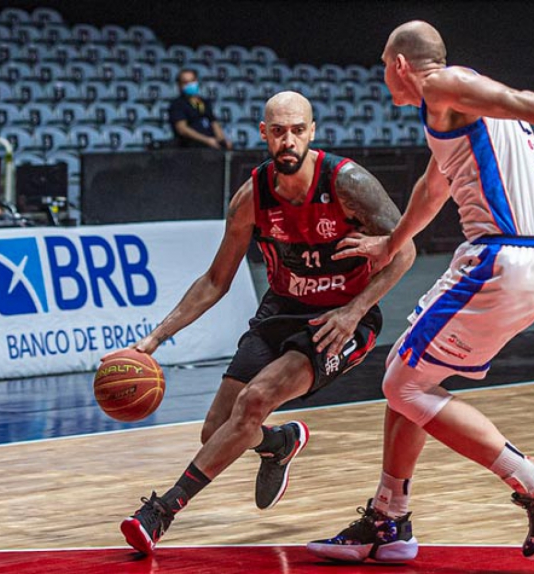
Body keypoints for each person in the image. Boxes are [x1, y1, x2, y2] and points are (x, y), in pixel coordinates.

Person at [306, 21, 534, 563]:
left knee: (403, 384)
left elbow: (515, 98)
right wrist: (391, 244)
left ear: (399, 66)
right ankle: (388, 519)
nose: (383, 80)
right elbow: (433, 185)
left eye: (383, 68)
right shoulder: (453, 110)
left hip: (500, 259)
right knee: (412, 374)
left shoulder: (444, 85)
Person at [119, 91, 415, 556]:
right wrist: (155, 338)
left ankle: (162, 511)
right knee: (215, 427)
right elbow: (216, 280)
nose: (288, 140)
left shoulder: (348, 184)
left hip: (339, 320)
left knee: (255, 399)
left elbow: (406, 252)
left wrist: (354, 310)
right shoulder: (251, 199)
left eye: (297, 129)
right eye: (279, 131)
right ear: (265, 134)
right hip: (280, 310)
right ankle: (278, 442)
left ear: (312, 132)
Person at [168, 68, 233, 150]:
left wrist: (222, 141)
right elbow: (182, 129)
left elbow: (214, 123)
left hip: (212, 146)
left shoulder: (204, 102)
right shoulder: (177, 104)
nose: (190, 85)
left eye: (192, 81)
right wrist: (206, 140)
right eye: (186, 82)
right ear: (179, 86)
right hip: (191, 149)